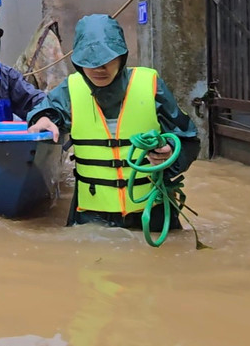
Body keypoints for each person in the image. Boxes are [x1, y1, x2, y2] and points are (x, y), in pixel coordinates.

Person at [27, 15, 198, 228]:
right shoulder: (70, 89)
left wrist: (171, 152)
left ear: (122, 56)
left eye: (108, 59)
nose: (100, 68)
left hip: (151, 214)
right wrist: (42, 119)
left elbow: (188, 139)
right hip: (91, 215)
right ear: (78, 61)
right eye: (91, 60)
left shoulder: (151, 84)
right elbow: (47, 111)